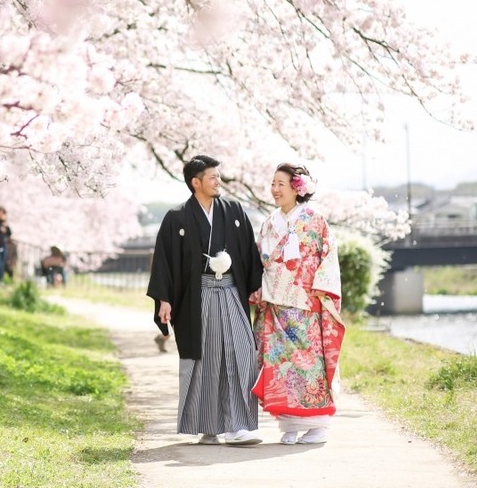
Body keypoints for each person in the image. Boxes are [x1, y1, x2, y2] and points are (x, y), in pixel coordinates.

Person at [146, 155, 263, 446]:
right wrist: (164, 299)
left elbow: (249, 251)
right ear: (195, 183)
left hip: (231, 292)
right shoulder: (177, 218)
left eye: (217, 176)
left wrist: (255, 286)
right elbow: (164, 261)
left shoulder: (233, 210)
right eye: (212, 177)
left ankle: (237, 425)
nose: (218, 181)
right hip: (199, 297)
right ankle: (208, 426)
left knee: (242, 351)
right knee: (208, 359)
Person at [252, 163, 344, 445]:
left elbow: (328, 255)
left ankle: (318, 425)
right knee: (280, 364)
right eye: (273, 183)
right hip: (276, 305)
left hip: (305, 303)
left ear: (297, 187)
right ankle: (289, 424)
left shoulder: (315, 220)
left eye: (280, 184)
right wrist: (257, 286)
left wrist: (320, 288)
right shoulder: (269, 222)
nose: (275, 189)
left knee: (308, 363)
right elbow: (260, 259)